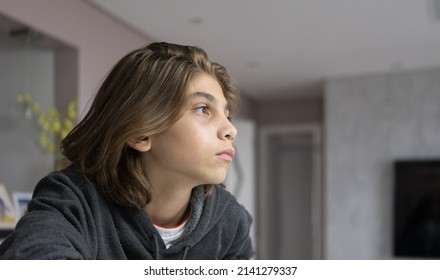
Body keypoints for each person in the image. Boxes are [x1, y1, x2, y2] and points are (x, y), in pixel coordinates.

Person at [0, 42, 254, 260]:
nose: (230, 129)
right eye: (202, 109)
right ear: (140, 133)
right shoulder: (72, 199)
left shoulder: (230, 221)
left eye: (227, 114)